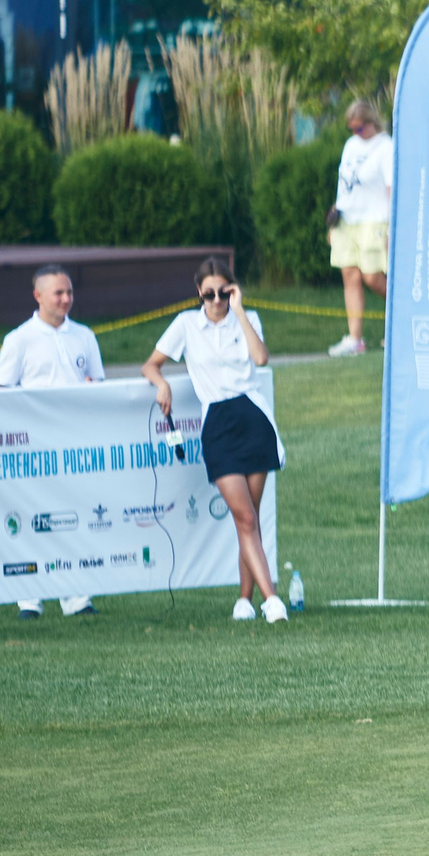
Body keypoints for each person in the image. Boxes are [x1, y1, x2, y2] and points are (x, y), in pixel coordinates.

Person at [145, 257, 288, 624]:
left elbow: (261, 357)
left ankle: (245, 599)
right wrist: (161, 384)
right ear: (198, 293)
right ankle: (272, 600)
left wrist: (239, 311)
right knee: (243, 516)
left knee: (250, 519)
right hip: (218, 422)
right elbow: (151, 364)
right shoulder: (186, 325)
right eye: (208, 293)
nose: (215, 300)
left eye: (222, 292)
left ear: (232, 290)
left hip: (252, 417)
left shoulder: (247, 317)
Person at [0, 265, 105, 618]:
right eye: (58, 293)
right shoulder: (19, 339)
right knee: (31, 518)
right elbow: (1, 392)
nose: (66, 299)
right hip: (34, 446)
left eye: (69, 292)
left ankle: (75, 597)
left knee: (74, 517)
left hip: (74, 444)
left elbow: (97, 383)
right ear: (38, 295)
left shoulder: (84, 336)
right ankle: (29, 598)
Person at [327, 101, 394, 357]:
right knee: (350, 275)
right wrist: (334, 221)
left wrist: (391, 229)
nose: (356, 133)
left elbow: (391, 190)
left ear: (372, 122)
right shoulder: (350, 145)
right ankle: (355, 339)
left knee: (373, 277)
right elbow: (344, 183)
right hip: (348, 219)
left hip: (375, 219)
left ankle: (402, 317)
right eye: (351, 128)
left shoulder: (386, 147)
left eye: (360, 128)